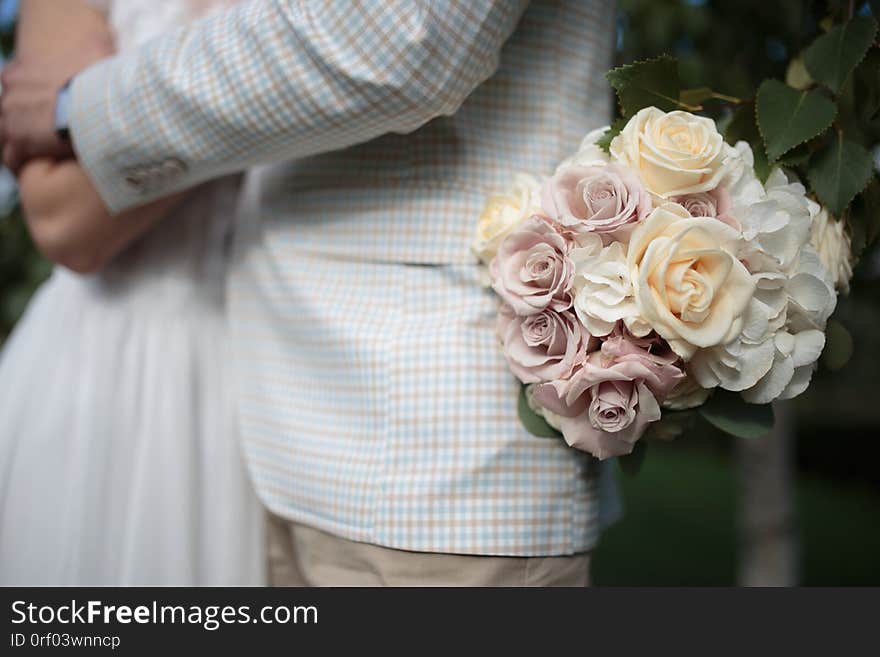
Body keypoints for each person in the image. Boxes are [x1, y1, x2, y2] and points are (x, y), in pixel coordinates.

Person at [1, 0, 620, 586]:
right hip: (269, 404)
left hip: (421, 445)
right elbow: (62, 217)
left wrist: (76, 110)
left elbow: (396, 33)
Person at [0, 0, 264, 585]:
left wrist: (104, 112)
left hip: (260, 373)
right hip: (94, 367)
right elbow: (66, 220)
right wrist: (258, 78)